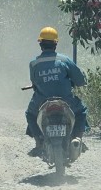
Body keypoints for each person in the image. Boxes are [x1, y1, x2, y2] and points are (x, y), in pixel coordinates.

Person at [26, 26, 89, 157]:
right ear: (55, 43)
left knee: (30, 114)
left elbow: (34, 82)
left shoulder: (34, 63)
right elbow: (80, 80)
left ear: (41, 44)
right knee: (81, 111)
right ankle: (77, 138)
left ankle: (38, 143)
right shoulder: (64, 60)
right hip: (66, 99)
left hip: (42, 100)